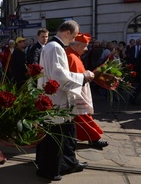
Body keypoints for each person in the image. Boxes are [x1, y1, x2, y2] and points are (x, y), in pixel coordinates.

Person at [36, 20, 92, 181]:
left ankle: (66, 164)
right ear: (66, 33)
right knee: (54, 137)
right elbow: (59, 76)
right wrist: (83, 77)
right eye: (73, 36)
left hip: (55, 97)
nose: (74, 39)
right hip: (56, 98)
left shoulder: (53, 46)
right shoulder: (55, 47)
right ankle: (48, 170)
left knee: (64, 134)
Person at [66, 33, 109, 148]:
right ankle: (94, 138)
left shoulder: (74, 54)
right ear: (78, 45)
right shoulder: (71, 56)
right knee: (82, 119)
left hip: (80, 92)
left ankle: (93, 138)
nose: (86, 49)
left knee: (85, 117)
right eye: (85, 46)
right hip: (76, 95)